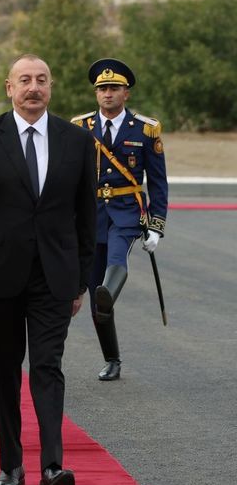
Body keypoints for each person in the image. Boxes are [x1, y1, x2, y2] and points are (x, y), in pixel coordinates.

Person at [0, 54, 96, 485]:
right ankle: (11, 465)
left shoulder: (76, 141)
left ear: (51, 88)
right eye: (25, 80)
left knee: (48, 367)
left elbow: (88, 215)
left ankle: (52, 466)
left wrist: (81, 280)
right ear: (8, 87)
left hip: (55, 277)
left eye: (42, 80)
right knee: (5, 369)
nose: (34, 87)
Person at [71, 58, 167, 381]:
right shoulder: (80, 127)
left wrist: (156, 226)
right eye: (102, 89)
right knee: (96, 287)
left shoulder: (144, 129)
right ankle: (112, 358)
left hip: (127, 210)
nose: (107, 94)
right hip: (91, 213)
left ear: (126, 93)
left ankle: (107, 292)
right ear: (96, 94)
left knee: (116, 258)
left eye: (114, 88)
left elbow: (157, 181)